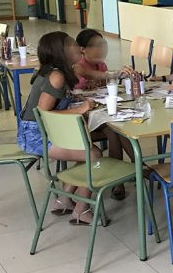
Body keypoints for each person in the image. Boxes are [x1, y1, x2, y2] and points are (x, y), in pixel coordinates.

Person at [17, 32, 100, 225]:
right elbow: (42, 113)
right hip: (35, 136)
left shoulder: (54, 71)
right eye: (72, 44)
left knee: (85, 147)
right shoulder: (56, 76)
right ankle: (81, 209)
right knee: (92, 155)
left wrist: (76, 100)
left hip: (39, 131)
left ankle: (64, 199)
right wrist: (81, 109)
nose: (78, 47)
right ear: (61, 52)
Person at [73, 28, 136, 199]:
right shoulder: (78, 66)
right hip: (82, 120)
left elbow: (105, 85)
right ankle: (136, 168)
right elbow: (97, 76)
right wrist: (115, 74)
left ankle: (123, 176)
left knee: (115, 130)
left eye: (102, 45)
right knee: (114, 131)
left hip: (98, 113)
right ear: (83, 49)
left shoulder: (101, 64)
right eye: (96, 46)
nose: (100, 49)